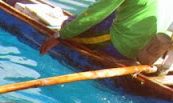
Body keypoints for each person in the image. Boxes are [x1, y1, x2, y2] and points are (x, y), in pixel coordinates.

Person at [40, 0, 173, 60]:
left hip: (124, 46)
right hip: (151, 47)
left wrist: (60, 35)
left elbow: (95, 13)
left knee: (67, 24)